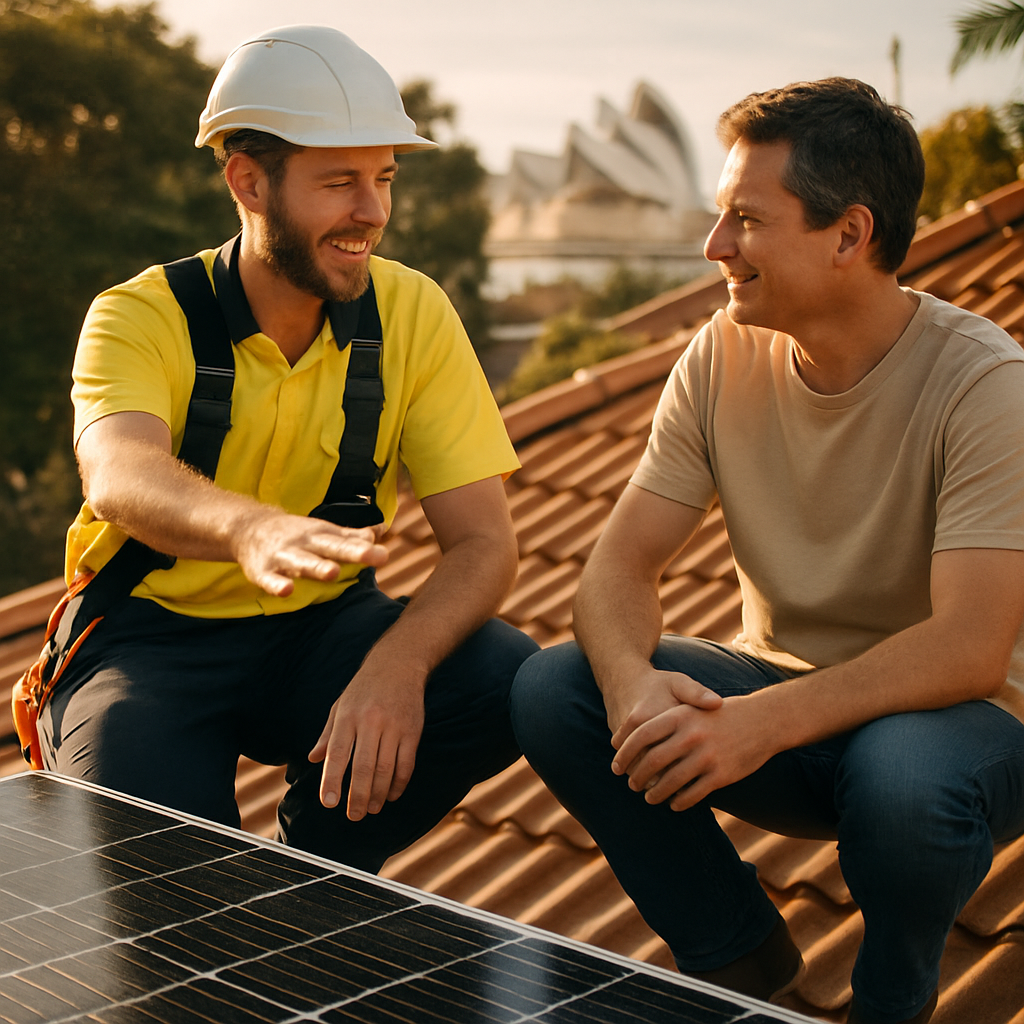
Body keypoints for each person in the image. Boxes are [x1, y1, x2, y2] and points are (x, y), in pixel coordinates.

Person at [510, 78, 1024, 1024]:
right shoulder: (720, 354)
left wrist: (759, 725)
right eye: (719, 216)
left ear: (847, 235)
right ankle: (742, 959)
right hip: (793, 714)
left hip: (961, 733)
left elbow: (971, 648)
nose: (714, 249)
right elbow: (617, 570)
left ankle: (890, 1002)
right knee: (556, 687)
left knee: (903, 780)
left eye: (746, 220)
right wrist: (633, 695)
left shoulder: (985, 383)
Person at [39, 24, 538, 873]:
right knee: (163, 872)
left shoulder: (415, 314)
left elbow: (486, 545)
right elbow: (120, 471)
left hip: (323, 633)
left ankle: (311, 872)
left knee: (502, 675)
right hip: (149, 641)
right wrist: (249, 530)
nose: (372, 212)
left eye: (383, 178)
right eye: (339, 182)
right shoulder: (137, 315)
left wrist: (397, 667)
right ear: (248, 181)